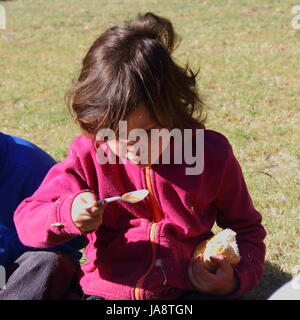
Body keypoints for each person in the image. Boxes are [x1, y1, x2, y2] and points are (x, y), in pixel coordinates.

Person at [14, 12, 266, 300]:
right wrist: (67, 212)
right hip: (107, 294)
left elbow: (246, 229)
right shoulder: (89, 154)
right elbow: (27, 220)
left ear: (174, 109)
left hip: (184, 292)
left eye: (148, 130)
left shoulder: (210, 153)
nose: (132, 145)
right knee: (41, 267)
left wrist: (235, 278)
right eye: (114, 132)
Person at [0, 132, 85, 299]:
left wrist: (6, 247)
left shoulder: (29, 167)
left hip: (24, 273)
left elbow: (74, 238)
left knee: (45, 263)